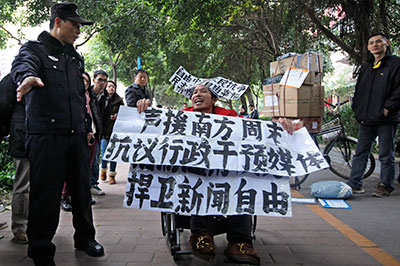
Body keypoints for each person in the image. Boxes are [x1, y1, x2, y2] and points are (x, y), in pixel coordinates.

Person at [136, 84, 294, 265]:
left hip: (227, 173)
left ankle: (239, 242)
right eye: (194, 92)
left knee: (242, 181)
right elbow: (154, 129)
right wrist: (145, 110)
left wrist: (277, 125)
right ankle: (201, 234)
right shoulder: (181, 117)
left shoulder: (229, 117)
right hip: (194, 173)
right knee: (198, 180)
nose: (197, 94)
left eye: (202, 91)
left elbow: (255, 130)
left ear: (214, 99)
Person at [11, 2, 104, 265]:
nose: (78, 30)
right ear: (58, 22)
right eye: (74, 24)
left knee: (82, 192)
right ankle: (40, 250)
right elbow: (23, 65)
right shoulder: (34, 50)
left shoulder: (75, 57)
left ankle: (85, 238)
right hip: (46, 137)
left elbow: (78, 96)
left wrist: (86, 127)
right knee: (45, 197)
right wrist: (27, 77)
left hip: (76, 137)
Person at [347, 33, 400, 197]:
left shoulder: (395, 64)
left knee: (385, 153)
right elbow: (359, 91)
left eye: (379, 41)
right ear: (368, 47)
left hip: (386, 117)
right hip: (366, 118)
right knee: (360, 153)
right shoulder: (366, 67)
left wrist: (388, 108)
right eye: (371, 43)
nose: (375, 45)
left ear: (387, 43)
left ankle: (385, 185)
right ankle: (354, 183)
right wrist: (357, 108)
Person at [90, 69, 111, 196]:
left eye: (105, 80)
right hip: (86, 132)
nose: (102, 83)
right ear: (94, 80)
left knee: (95, 159)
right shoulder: (86, 93)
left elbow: (106, 116)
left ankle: (93, 184)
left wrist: (103, 132)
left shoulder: (106, 96)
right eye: (100, 80)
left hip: (98, 133)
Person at [99, 80, 124, 184]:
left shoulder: (119, 101)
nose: (111, 88)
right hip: (104, 131)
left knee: (114, 154)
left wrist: (118, 115)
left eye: (113, 87)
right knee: (105, 152)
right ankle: (103, 169)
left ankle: (112, 175)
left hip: (115, 131)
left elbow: (124, 113)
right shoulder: (102, 98)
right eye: (109, 86)